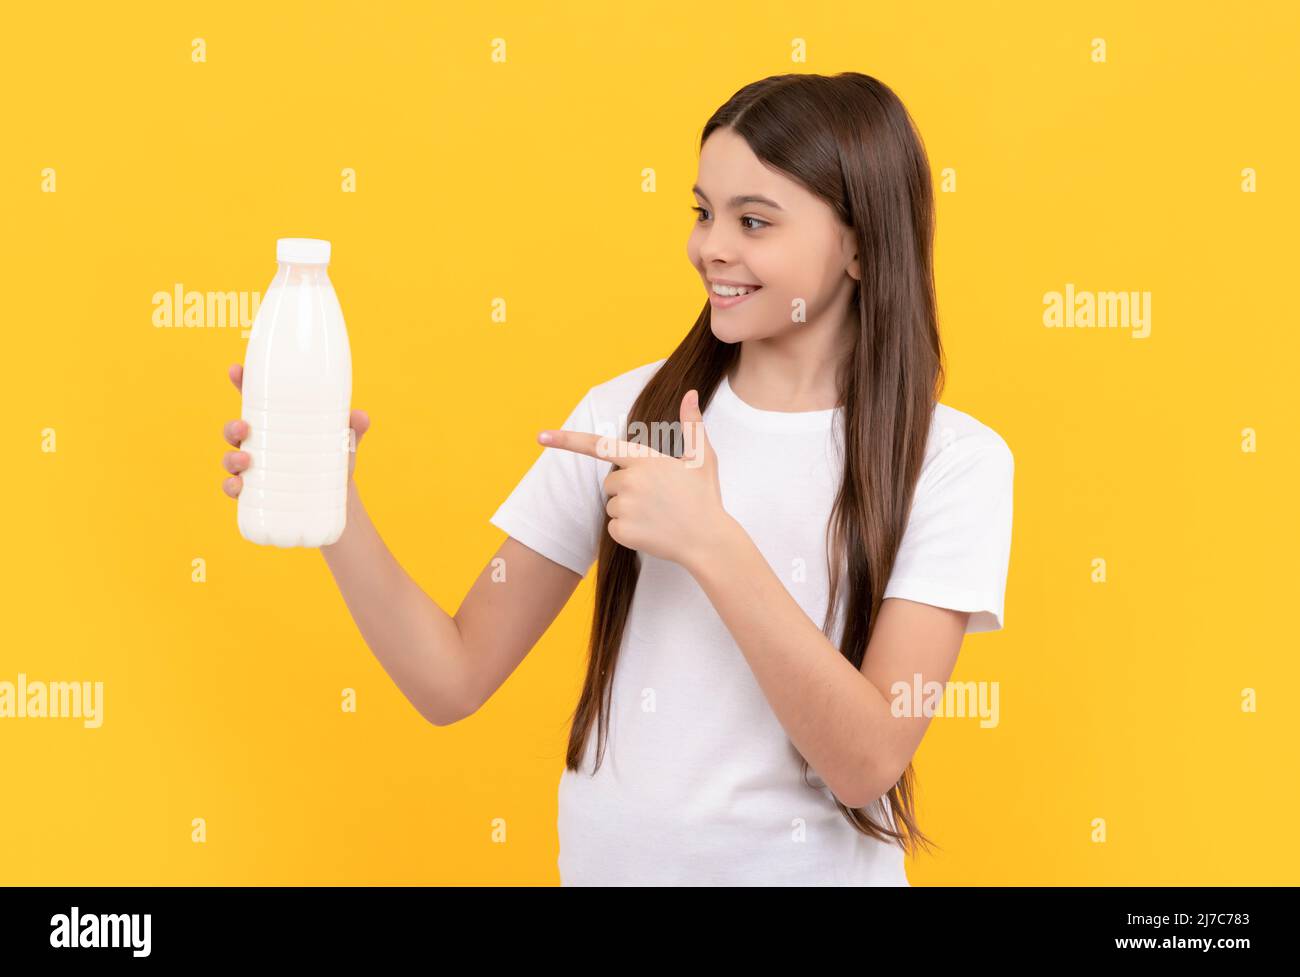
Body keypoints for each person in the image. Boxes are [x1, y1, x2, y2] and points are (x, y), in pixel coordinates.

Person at [220, 72, 1014, 886]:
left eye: (754, 221)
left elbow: (868, 761)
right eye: (703, 212)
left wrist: (711, 542)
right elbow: (450, 677)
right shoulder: (629, 419)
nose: (711, 247)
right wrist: (332, 502)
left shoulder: (951, 461)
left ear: (859, 245)